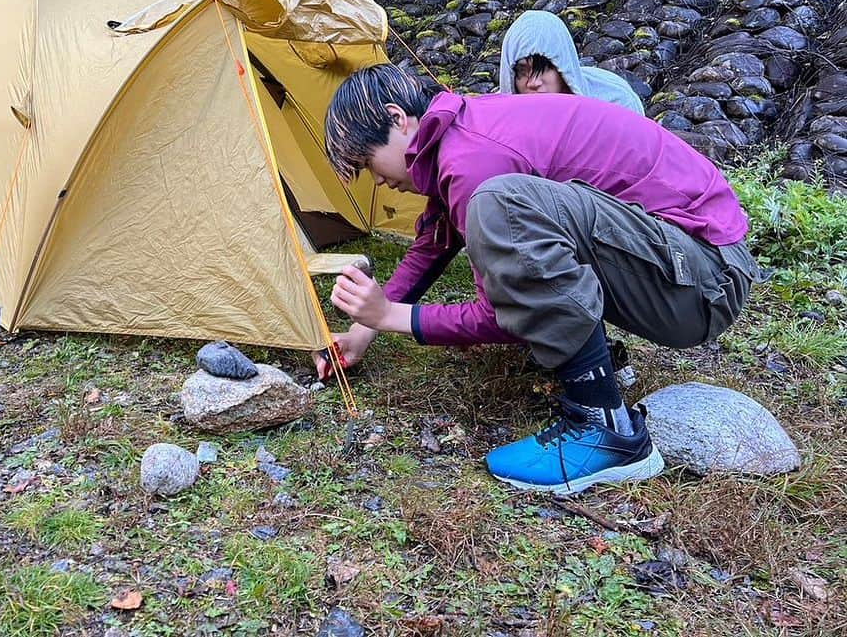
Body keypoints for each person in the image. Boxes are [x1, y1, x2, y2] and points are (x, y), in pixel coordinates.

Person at [315, 64, 757, 495]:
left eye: (369, 162)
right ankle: (596, 380)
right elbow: (435, 240)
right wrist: (362, 330)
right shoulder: (462, 133)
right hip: (685, 265)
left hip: (704, 280)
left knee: (500, 204)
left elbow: (502, 315)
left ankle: (605, 427)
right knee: (501, 205)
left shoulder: (473, 159)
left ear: (399, 120)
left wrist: (393, 315)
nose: (376, 179)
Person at [499, 10, 645, 114]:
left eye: (545, 68)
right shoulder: (493, 121)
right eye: (522, 71)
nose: (533, 83)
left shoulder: (617, 104)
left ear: (563, 66)